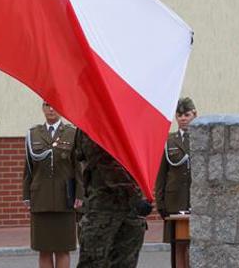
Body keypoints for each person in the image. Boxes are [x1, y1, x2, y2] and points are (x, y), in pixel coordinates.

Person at [75, 129, 151, 268]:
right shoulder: (92, 125)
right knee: (94, 262)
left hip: (131, 211)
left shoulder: (129, 122)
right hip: (104, 210)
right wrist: (135, 197)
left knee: (125, 262)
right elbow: (106, 163)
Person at [23, 102, 83, 268]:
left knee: (63, 249)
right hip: (40, 198)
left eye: (55, 105)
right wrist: (26, 196)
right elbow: (28, 168)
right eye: (47, 105)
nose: (51, 109)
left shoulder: (72, 133)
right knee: (44, 249)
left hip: (65, 199)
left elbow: (78, 168)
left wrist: (80, 194)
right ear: (42, 108)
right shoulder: (33, 134)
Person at [155, 97, 195, 243]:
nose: (183, 119)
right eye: (179, 115)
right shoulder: (169, 141)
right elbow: (162, 175)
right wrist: (160, 203)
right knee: (176, 245)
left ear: (194, 115)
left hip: (195, 200)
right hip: (174, 201)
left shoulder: (200, 138)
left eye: (187, 115)